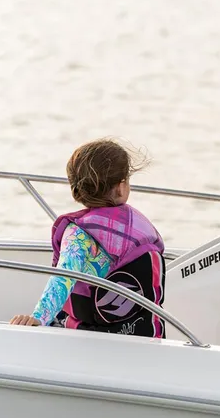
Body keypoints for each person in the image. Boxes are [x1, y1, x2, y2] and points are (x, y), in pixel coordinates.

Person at [9, 139, 167, 338]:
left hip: (93, 339)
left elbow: (63, 278)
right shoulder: (137, 227)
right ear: (120, 187)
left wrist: (38, 318)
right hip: (146, 334)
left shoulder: (79, 235)